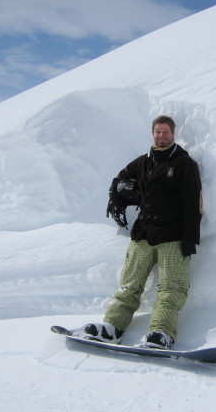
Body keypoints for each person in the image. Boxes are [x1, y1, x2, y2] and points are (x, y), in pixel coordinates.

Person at [83, 115, 202, 349]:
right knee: (129, 285)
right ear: (152, 134)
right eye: (157, 131)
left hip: (173, 236)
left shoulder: (183, 163)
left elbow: (193, 205)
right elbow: (119, 179)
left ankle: (161, 332)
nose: (161, 136)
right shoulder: (144, 161)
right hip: (143, 234)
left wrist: (190, 239)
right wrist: (116, 198)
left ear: (173, 133)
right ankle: (112, 327)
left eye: (165, 131)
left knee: (172, 288)